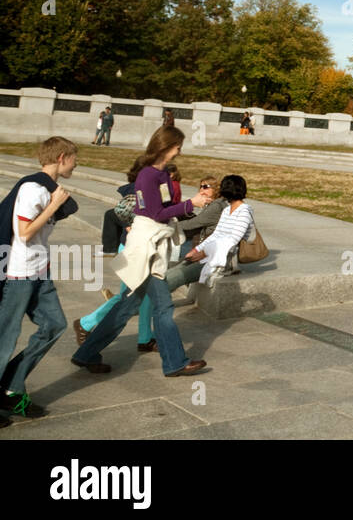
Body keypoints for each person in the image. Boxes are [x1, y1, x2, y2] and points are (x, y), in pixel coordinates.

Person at [71, 125, 213, 377]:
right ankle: (175, 362)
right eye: (177, 145)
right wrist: (192, 203)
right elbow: (156, 213)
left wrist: (190, 203)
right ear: (167, 146)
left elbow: (165, 208)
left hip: (152, 246)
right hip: (147, 250)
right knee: (164, 308)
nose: (180, 150)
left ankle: (85, 354)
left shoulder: (161, 174)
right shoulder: (148, 176)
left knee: (125, 308)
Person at [0, 137, 79, 421]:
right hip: (18, 273)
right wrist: (53, 204)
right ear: (61, 158)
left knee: (55, 324)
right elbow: (24, 233)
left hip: (39, 271)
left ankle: (9, 386)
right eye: (73, 158)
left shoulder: (47, 188)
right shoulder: (33, 189)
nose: (75, 163)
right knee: (5, 338)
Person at [184, 176, 254, 286]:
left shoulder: (244, 212)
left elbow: (233, 241)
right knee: (176, 270)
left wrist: (204, 252)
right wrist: (196, 249)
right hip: (212, 254)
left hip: (223, 260)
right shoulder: (227, 210)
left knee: (174, 277)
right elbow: (216, 234)